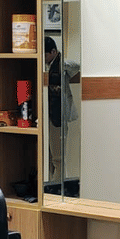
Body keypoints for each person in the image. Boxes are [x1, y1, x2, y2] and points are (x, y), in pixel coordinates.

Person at [45, 37, 80, 182]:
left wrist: (61, 63)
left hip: (58, 114)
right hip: (49, 114)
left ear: (53, 52)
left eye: (46, 54)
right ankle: (52, 184)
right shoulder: (46, 66)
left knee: (58, 158)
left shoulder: (62, 65)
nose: (44, 58)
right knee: (50, 156)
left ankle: (55, 188)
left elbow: (77, 65)